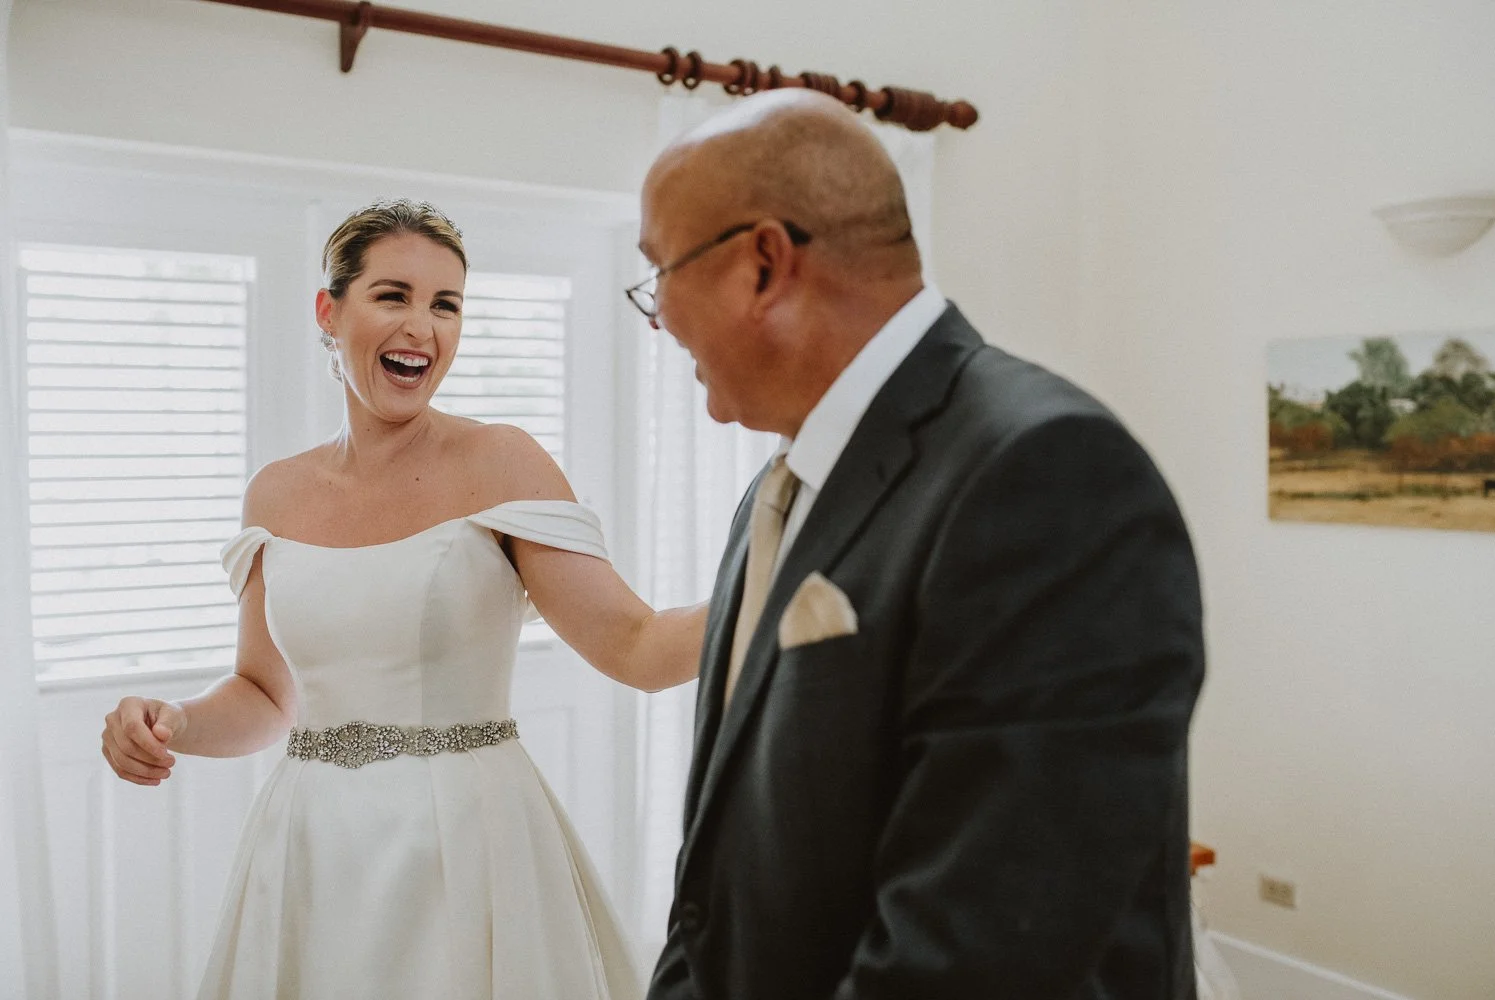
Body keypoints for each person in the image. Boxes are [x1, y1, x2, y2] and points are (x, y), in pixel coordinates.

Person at [633, 90, 1206, 1000]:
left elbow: (975, 957)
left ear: (762, 265)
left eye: (658, 271)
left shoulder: (1047, 474)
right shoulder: (776, 492)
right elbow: (714, 894)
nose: (656, 314)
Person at [100, 199, 702, 1000]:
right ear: (329, 312)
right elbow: (266, 696)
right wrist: (172, 721)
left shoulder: (502, 461)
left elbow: (636, 644)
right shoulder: (274, 494)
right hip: (312, 852)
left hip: (470, 847)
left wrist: (777, 581)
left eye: (446, 304)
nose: (422, 327)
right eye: (393, 296)